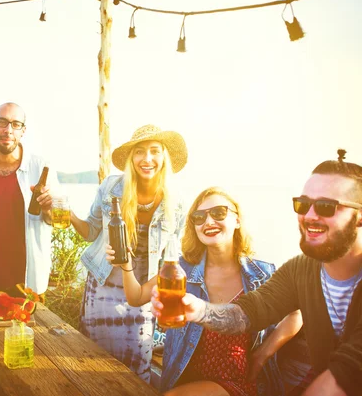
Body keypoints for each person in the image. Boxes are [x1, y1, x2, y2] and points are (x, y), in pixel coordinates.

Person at [151, 150, 362, 396]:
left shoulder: (263, 271)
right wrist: (198, 309)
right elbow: (249, 312)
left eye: (327, 206)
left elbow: (348, 372)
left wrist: (262, 354)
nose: (310, 216)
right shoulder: (300, 270)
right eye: (303, 204)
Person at [116, 186, 302, 395]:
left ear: (237, 220)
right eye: (199, 216)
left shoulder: (261, 274)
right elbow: (136, 297)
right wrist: (125, 263)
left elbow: (296, 312)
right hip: (184, 377)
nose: (208, 221)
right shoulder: (179, 272)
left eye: (219, 213)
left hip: (237, 381)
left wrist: (263, 354)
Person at [70, 124, 187, 382]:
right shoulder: (111, 187)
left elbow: (174, 256)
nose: (147, 159)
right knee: (93, 363)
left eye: (155, 151)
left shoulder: (176, 202)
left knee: (138, 365)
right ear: (131, 158)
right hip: (102, 286)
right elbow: (90, 231)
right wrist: (67, 214)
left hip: (143, 290)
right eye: (139, 152)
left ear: (164, 157)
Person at [0, 102, 58, 300]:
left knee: (30, 330)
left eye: (16, 124)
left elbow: (54, 220)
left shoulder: (41, 167)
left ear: (23, 130)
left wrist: (48, 208)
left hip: (29, 278)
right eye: (2, 122)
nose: (8, 130)